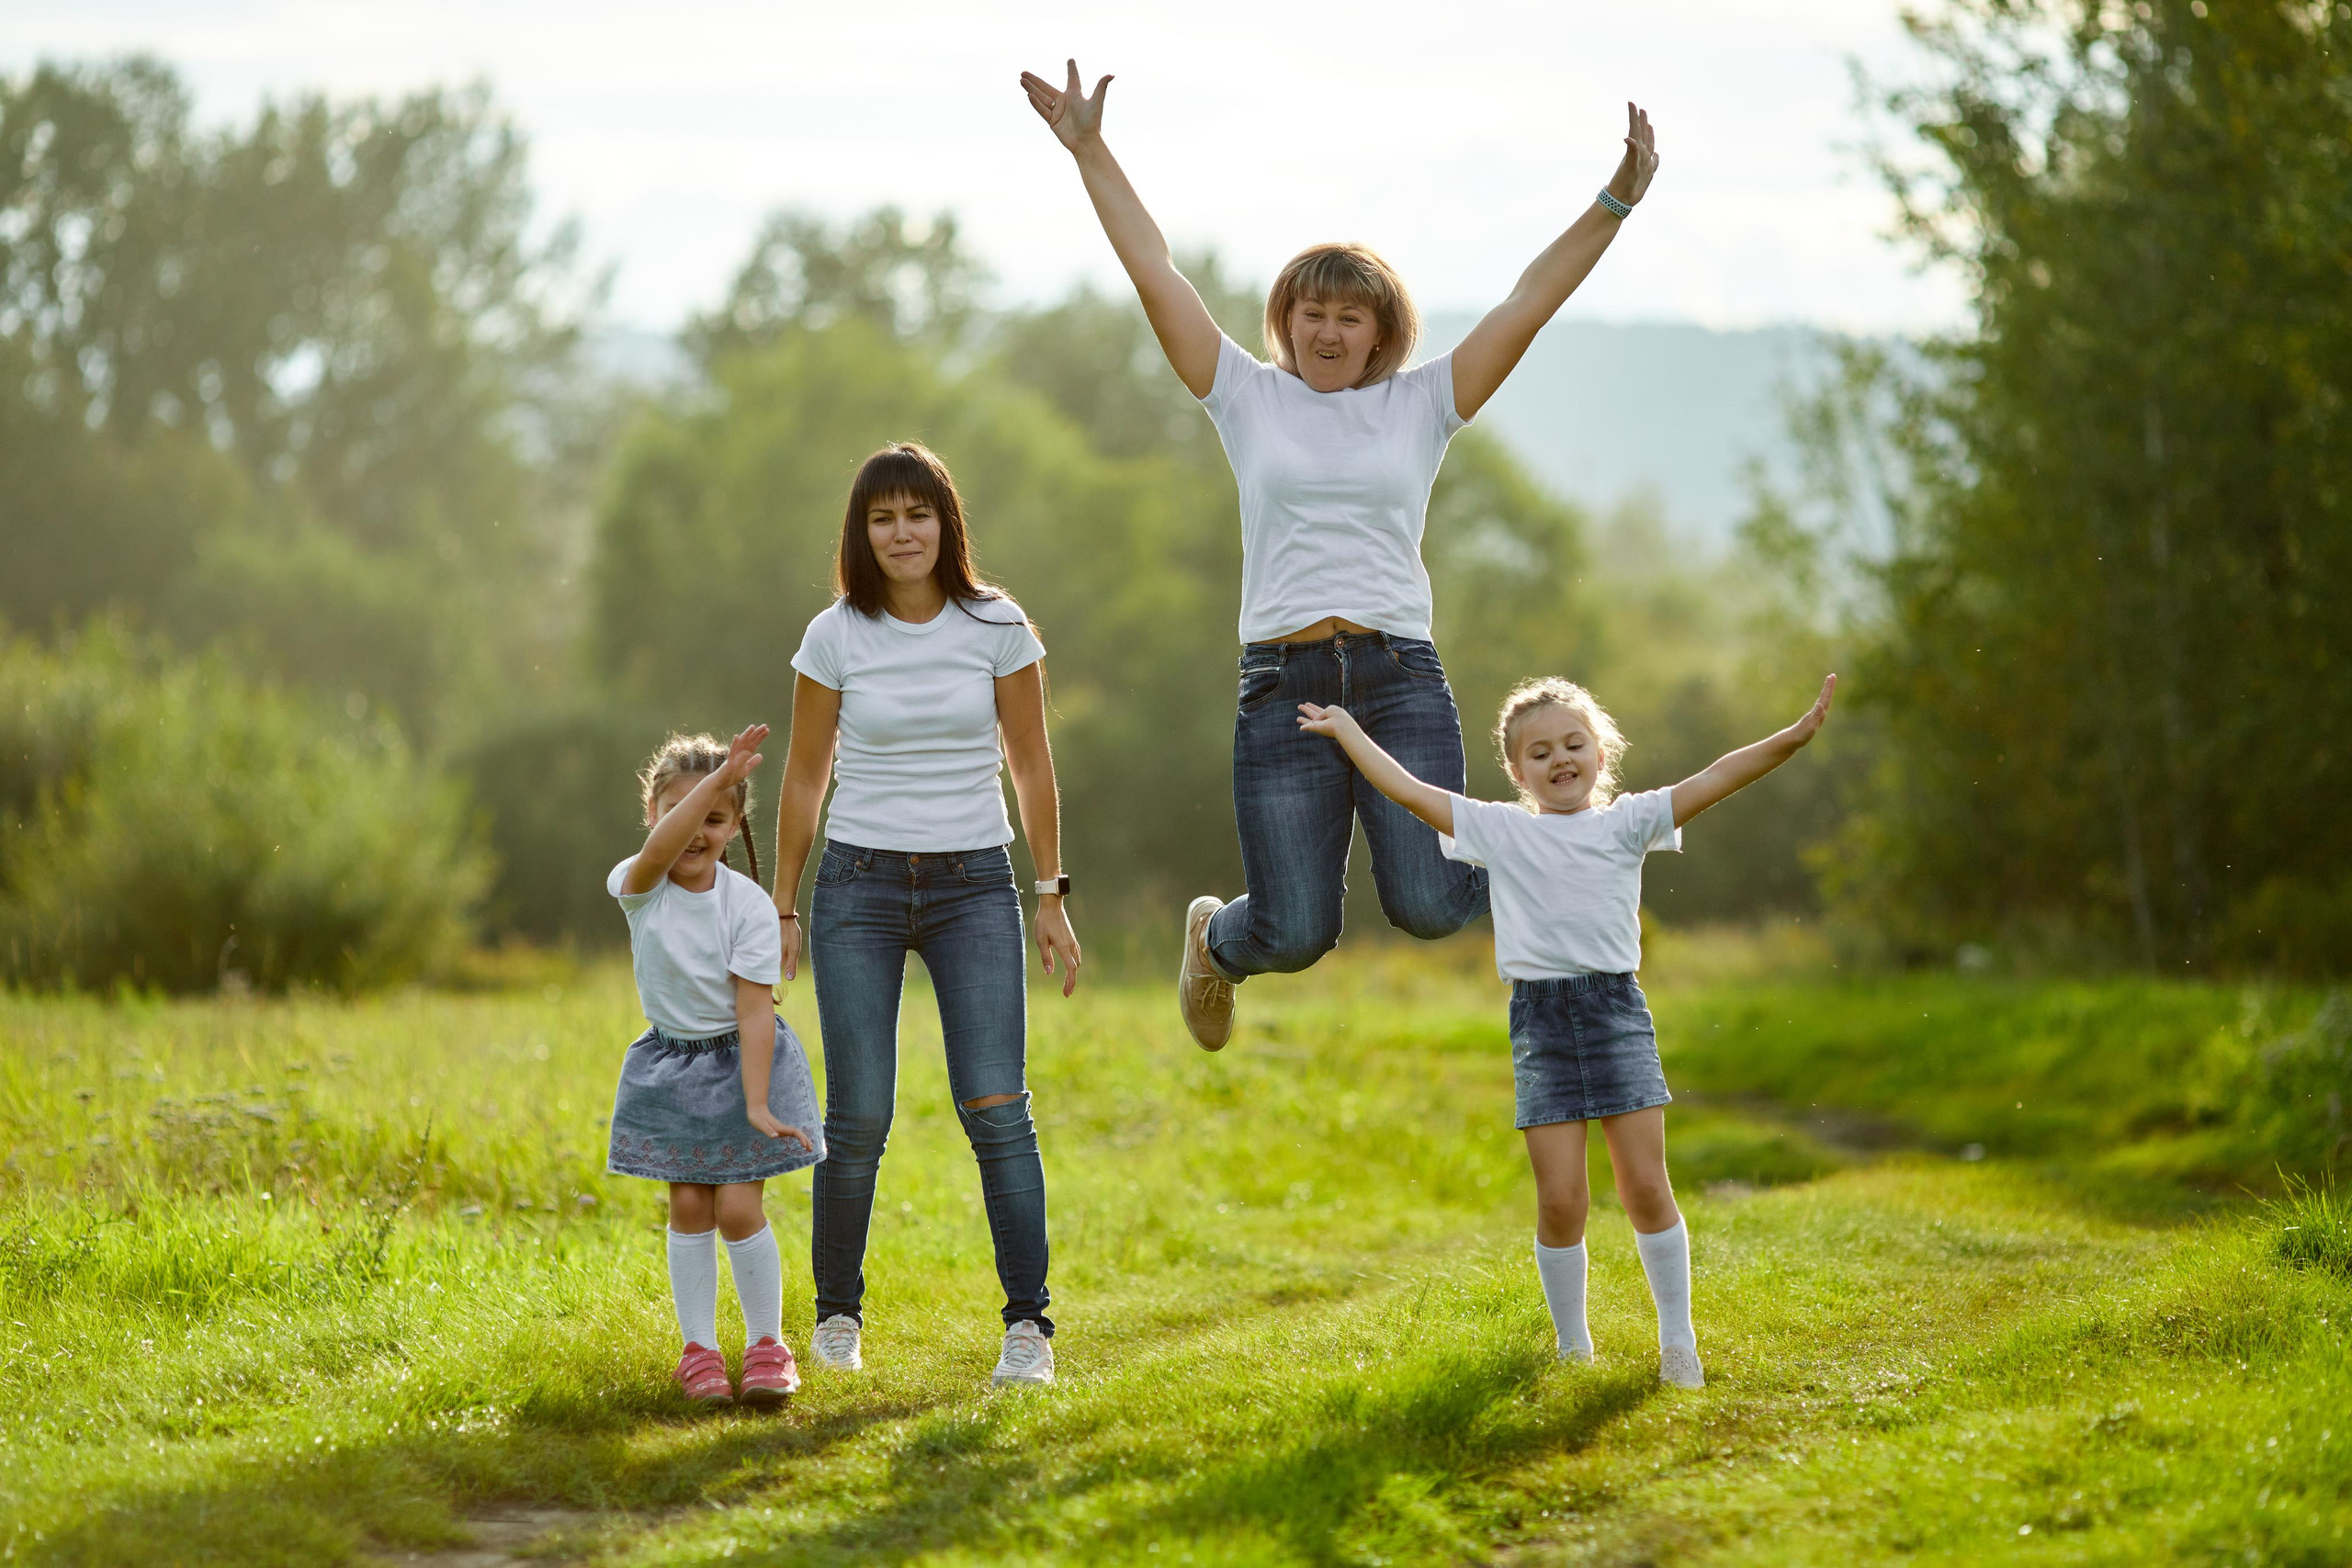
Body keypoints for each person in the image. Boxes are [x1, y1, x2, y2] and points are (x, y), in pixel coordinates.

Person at [1020, 60, 1660, 1052]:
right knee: (1294, 930)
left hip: (1399, 677)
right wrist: (1090, 149)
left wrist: (1615, 200)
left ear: (1379, 333)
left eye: (1348, 315)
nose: (1326, 329)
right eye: (1310, 312)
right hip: (1282, 684)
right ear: (1286, 321)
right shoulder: (1245, 395)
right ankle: (1214, 941)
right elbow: (1156, 271)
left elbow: (1527, 302)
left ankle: (1552, 853)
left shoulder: (1424, 403)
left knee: (1431, 905)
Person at [1297, 672, 1837, 1388]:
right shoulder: (1502, 830)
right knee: (1560, 1201)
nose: (1560, 759)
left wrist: (1793, 736)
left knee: (1645, 1187)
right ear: (1518, 771)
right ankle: (1573, 1345)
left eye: (1574, 744)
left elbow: (1716, 776)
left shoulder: (1629, 821)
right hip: (1540, 1023)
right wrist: (1348, 730)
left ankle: (1678, 1341)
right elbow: (1409, 790)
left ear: (1600, 754)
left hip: (1616, 1014)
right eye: (1541, 751)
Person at [770, 442, 1082, 1389]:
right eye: (883, 518)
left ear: (946, 523)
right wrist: (782, 906)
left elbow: (1030, 763)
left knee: (996, 1106)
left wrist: (1051, 892)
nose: (901, 533)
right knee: (858, 1114)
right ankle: (836, 1318)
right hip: (857, 886)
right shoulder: (834, 634)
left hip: (973, 885)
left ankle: (1028, 1329)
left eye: (917, 514)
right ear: (860, 533)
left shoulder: (998, 625)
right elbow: (805, 775)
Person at [606, 726, 824, 1409]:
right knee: (689, 1205)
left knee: (736, 1206)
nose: (697, 830)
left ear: (734, 827)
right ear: (653, 814)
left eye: (715, 818)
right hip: (671, 1066)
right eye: (681, 812)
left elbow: (755, 1013)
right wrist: (715, 782)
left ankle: (768, 1347)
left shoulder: (748, 905)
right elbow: (661, 850)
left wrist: (758, 1104)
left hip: (740, 1063)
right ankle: (698, 1353)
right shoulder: (640, 883)